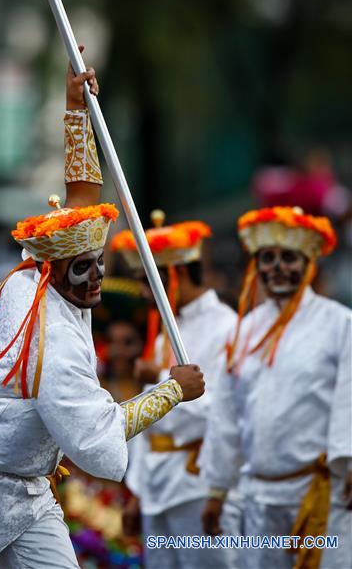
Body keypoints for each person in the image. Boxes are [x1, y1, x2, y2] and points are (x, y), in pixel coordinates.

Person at [0, 58, 205, 568]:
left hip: (31, 490)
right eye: (81, 270)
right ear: (51, 270)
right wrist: (173, 391)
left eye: (98, 263)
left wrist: (76, 110)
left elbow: (82, 201)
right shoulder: (53, 338)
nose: (94, 277)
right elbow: (96, 439)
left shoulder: (37, 274)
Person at [200, 206, 352, 569]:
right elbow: (225, 414)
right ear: (256, 266)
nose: (277, 267)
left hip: (319, 494)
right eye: (267, 258)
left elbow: (349, 399)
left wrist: (349, 465)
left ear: (309, 263)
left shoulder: (339, 323)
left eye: (288, 257)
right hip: (258, 497)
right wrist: (217, 490)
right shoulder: (244, 330)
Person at [114, 213, 237, 568]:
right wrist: (136, 492)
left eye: (145, 282)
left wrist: (162, 384)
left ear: (176, 274)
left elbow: (220, 412)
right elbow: (147, 418)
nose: (140, 292)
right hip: (155, 487)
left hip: (198, 484)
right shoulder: (163, 329)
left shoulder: (226, 328)